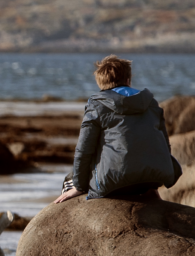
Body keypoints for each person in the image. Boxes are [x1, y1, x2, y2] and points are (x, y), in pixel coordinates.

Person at [54, 55, 181, 204]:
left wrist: (79, 187)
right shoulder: (151, 103)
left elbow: (84, 150)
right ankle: (151, 192)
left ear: (101, 84)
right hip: (154, 179)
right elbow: (164, 145)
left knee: (69, 181)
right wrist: (153, 185)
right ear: (128, 80)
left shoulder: (97, 104)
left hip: (116, 183)